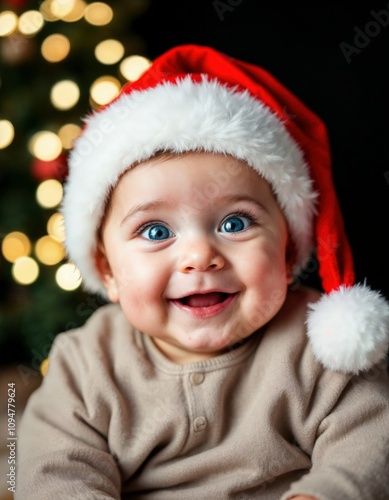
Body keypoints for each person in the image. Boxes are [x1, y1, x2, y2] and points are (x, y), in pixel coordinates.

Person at [16, 44, 389, 499]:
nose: (199, 257)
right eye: (155, 231)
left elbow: (371, 441)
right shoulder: (86, 359)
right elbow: (52, 466)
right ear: (106, 270)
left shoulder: (318, 347)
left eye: (234, 224)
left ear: (288, 253)